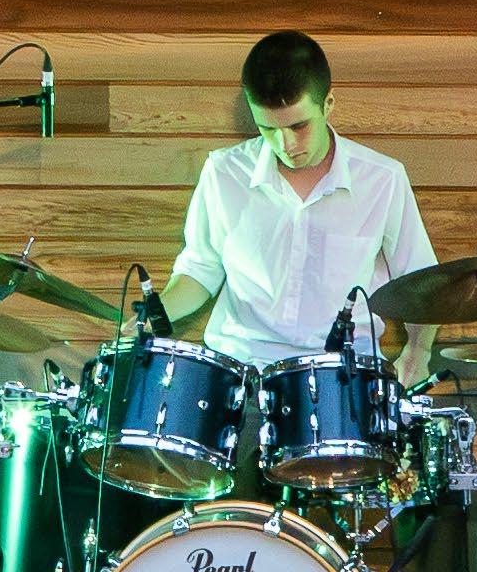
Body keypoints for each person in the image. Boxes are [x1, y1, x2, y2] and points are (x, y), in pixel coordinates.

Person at [156, 27, 440, 391]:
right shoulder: (224, 171)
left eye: (299, 126)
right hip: (240, 375)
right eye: (267, 129)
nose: (285, 144)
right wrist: (154, 314)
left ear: (328, 104)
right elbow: (201, 269)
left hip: (344, 378)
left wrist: (418, 352)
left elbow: (420, 282)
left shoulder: (382, 179)